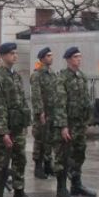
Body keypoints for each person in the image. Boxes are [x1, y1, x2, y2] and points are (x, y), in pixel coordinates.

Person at [0, 42, 38, 197]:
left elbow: (22, 100)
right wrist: (3, 132)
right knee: (0, 165)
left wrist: (25, 123)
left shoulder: (15, 76)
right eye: (11, 53)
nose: (15, 56)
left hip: (17, 127)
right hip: (5, 130)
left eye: (16, 53)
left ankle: (19, 193)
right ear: (2, 56)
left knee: (20, 160)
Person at [53, 46, 97, 197]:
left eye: (80, 56)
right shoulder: (62, 78)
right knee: (63, 156)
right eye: (76, 57)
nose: (79, 59)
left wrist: (87, 120)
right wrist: (63, 126)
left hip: (79, 124)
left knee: (79, 153)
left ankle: (76, 185)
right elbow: (60, 103)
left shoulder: (81, 76)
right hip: (68, 124)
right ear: (69, 59)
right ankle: (61, 188)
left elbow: (86, 100)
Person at [30, 46, 56, 180]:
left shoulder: (52, 74)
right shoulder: (37, 75)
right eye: (48, 56)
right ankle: (38, 167)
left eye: (51, 55)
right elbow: (36, 95)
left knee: (49, 140)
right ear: (42, 58)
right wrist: (40, 112)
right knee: (40, 139)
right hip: (42, 114)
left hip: (52, 113)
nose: (51, 58)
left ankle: (48, 164)